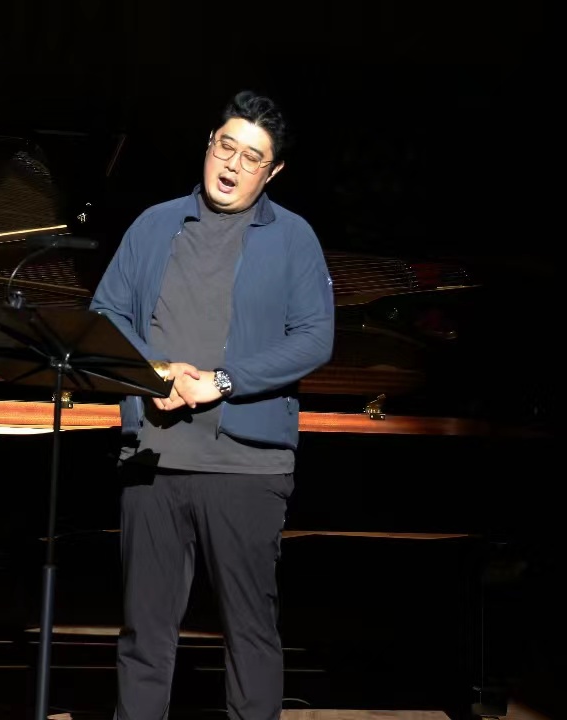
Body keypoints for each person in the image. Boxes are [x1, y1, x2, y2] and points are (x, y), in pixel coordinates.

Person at [89, 90, 335, 720]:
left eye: (252, 157)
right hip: (153, 459)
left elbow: (315, 337)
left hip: (246, 470)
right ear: (209, 145)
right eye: (227, 146)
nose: (233, 164)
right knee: (144, 636)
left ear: (272, 172)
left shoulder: (294, 238)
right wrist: (155, 371)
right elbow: (106, 313)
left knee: (250, 635)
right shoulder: (154, 224)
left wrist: (222, 381)